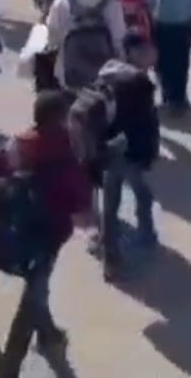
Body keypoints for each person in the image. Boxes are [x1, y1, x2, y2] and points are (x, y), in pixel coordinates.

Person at [0, 90, 93, 378]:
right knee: (33, 297)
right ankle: (9, 368)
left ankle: (49, 334)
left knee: (37, 288)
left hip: (11, 234)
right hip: (46, 240)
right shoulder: (70, 153)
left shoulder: (22, 145)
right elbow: (82, 211)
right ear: (61, 118)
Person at [69, 32, 160, 281]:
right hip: (125, 149)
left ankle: (110, 246)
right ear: (132, 53)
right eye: (145, 50)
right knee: (128, 197)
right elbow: (146, 124)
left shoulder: (109, 69)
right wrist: (149, 154)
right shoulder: (140, 82)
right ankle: (119, 256)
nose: (151, 55)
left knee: (115, 202)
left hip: (104, 145)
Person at [46, 0, 126, 90]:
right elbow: (119, 43)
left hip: (68, 76)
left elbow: (52, 35)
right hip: (102, 80)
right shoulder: (112, 5)